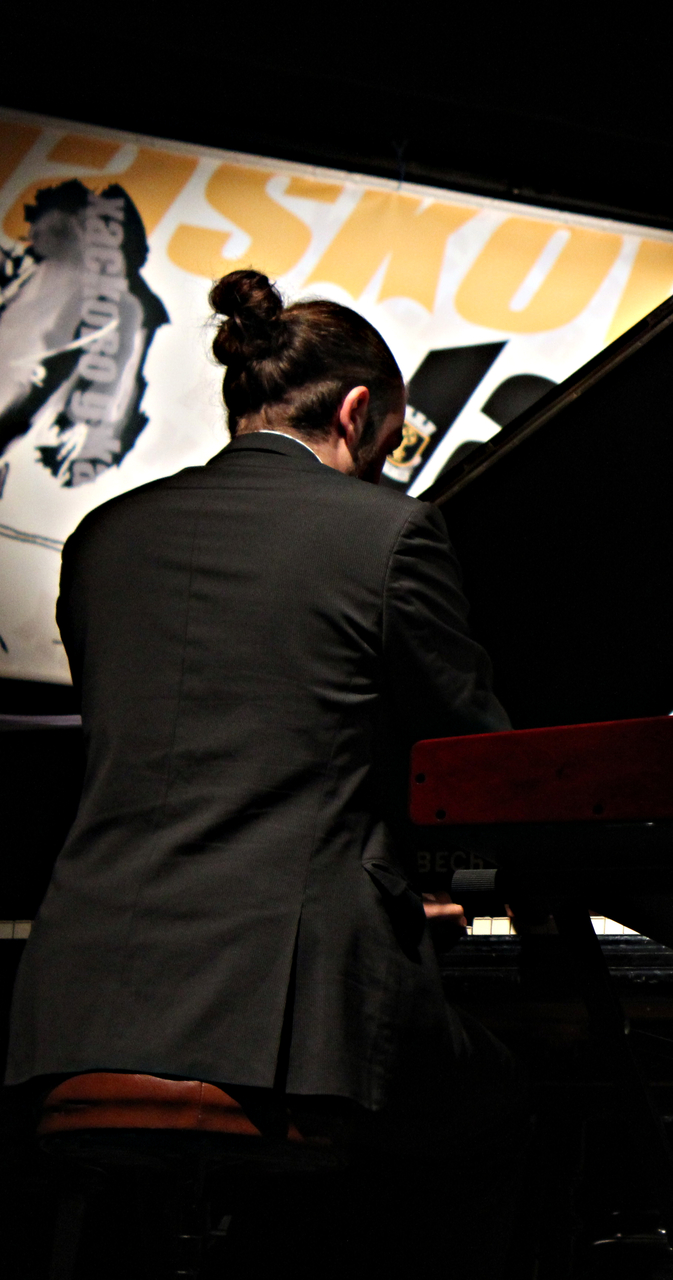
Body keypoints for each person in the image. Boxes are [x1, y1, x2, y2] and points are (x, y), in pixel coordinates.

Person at [6, 269, 517, 1272]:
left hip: (77, 1006)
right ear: (359, 412)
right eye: (391, 444)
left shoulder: (103, 538)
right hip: (294, 1018)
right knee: (505, 1097)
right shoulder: (389, 534)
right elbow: (479, 763)